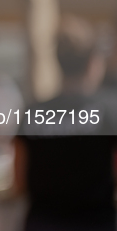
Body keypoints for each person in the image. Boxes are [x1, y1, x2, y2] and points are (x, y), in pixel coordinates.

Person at [15, 15, 117, 231]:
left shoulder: (34, 112)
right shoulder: (108, 111)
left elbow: (18, 180)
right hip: (96, 222)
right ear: (93, 62)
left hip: (42, 223)